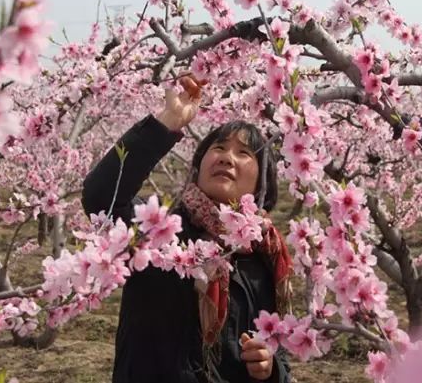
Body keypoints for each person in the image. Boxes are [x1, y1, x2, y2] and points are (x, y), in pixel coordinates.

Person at [81, 75, 292, 383]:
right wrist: (165, 123)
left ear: (263, 183)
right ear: (198, 165)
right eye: (218, 147)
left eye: (244, 153)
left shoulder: (265, 255)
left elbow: (277, 348)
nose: (227, 157)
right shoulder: (159, 233)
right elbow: (101, 196)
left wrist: (271, 369)